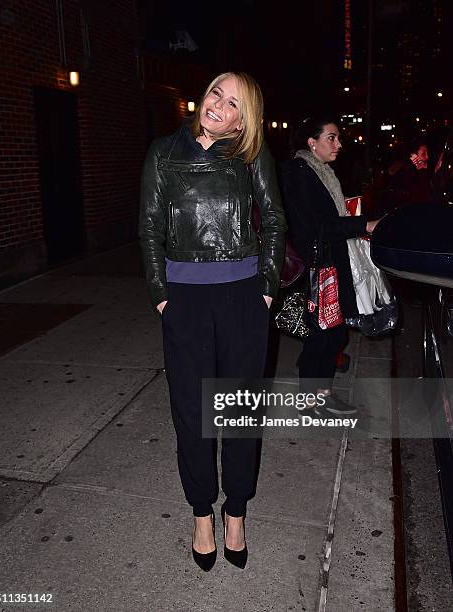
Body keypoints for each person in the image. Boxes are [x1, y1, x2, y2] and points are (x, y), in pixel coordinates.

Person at [139, 72, 286, 571]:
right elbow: (150, 226)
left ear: (246, 118)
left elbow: (274, 220)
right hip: (185, 300)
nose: (218, 106)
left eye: (233, 103)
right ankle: (202, 513)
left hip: (243, 299)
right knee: (193, 415)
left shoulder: (251, 157)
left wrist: (266, 290)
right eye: (215, 94)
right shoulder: (164, 152)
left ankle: (237, 512)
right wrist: (162, 297)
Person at [280, 117, 379, 415]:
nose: (339, 144)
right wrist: (364, 223)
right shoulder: (299, 172)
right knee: (323, 333)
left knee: (333, 332)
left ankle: (322, 394)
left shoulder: (322, 171)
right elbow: (315, 226)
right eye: (332, 138)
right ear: (312, 142)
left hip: (334, 260)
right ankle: (310, 401)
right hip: (319, 265)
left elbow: (327, 216)